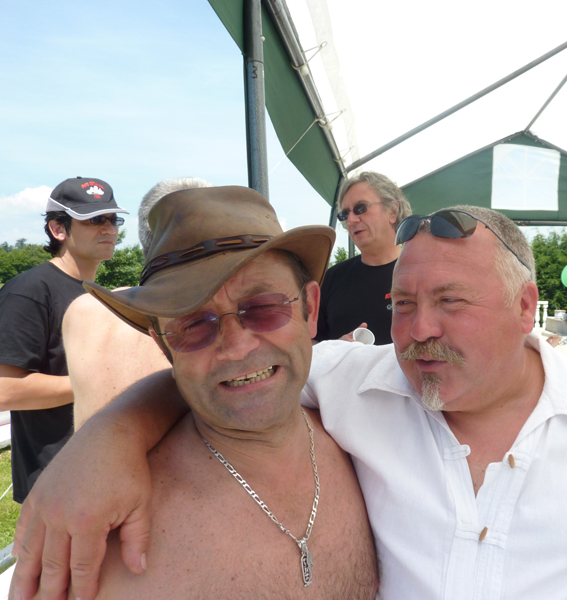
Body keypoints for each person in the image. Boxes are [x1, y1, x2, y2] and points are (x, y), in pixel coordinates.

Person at [12, 206, 567, 600]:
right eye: (402, 304)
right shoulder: (353, 380)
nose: (419, 330)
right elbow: (229, 375)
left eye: (451, 302)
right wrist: (108, 438)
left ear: (524, 306)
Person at [22, 186, 379, 599]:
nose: (237, 346)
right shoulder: (111, 547)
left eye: (263, 306)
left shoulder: (369, 438)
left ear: (310, 309)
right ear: (163, 346)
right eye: (193, 325)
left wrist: (114, 431)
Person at [0, 176, 127, 502]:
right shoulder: (30, 291)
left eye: (112, 219)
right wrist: (107, 383)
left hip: (106, 471)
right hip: (57, 485)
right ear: (58, 229)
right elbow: (5, 390)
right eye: (94, 220)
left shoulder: (100, 295)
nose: (109, 229)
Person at [64, 178, 212, 429]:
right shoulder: (203, 319)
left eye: (113, 220)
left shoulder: (83, 309)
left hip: (87, 450)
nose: (108, 229)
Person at [314, 171, 411, 345]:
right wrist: (335, 348)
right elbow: (310, 342)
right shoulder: (331, 278)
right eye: (345, 214)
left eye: (361, 208)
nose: (351, 220)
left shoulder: (422, 271)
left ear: (393, 211)